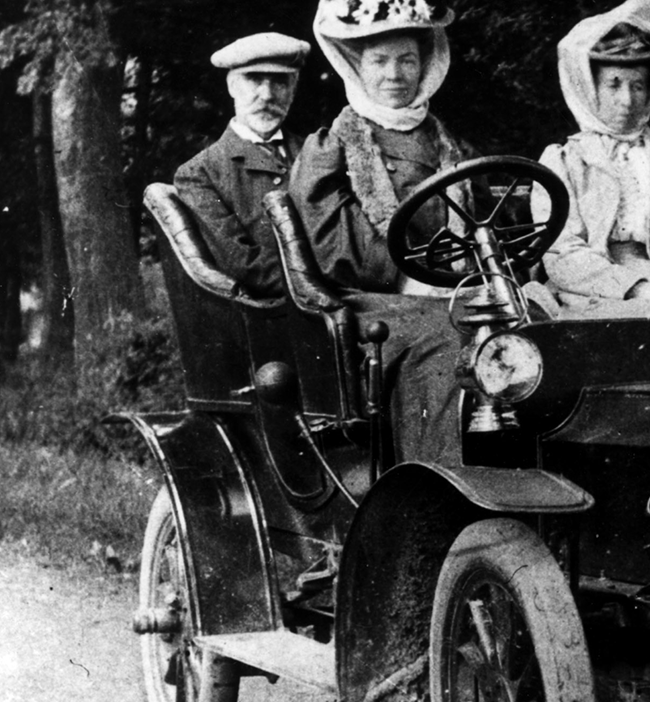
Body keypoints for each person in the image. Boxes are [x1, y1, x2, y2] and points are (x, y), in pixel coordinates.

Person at [290, 0, 471, 466]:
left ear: (426, 64)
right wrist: (414, 277)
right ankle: (435, 485)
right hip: (369, 303)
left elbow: (482, 224)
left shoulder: (448, 143)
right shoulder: (332, 146)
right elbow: (334, 254)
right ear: (357, 66)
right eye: (379, 61)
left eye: (407, 60)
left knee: (529, 324)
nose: (395, 74)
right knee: (444, 335)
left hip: (452, 290)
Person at [531, 0, 650, 320]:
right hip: (587, 297)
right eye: (614, 85)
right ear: (591, 89)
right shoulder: (563, 161)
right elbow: (563, 253)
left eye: (638, 86)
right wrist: (639, 289)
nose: (627, 100)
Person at [174, 32, 311, 296]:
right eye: (254, 79)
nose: (267, 95)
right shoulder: (200, 173)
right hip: (281, 310)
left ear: (293, 89)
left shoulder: (317, 151)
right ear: (232, 86)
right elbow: (244, 264)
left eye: (280, 82)